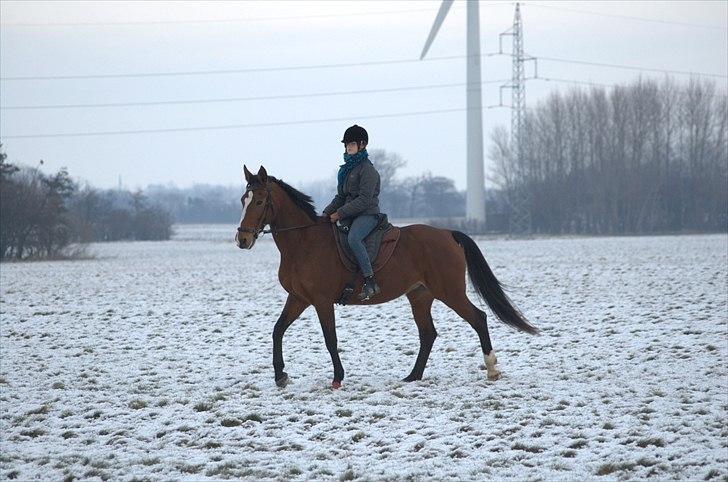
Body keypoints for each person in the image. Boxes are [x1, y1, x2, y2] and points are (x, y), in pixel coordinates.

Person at [323, 124, 382, 301]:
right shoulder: (346, 170)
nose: (348, 147)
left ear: (362, 145)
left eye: (352, 144)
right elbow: (341, 197)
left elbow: (364, 200)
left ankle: (370, 281)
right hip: (350, 213)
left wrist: (339, 214)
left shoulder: (368, 170)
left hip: (367, 214)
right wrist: (326, 214)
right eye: (347, 144)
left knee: (354, 238)